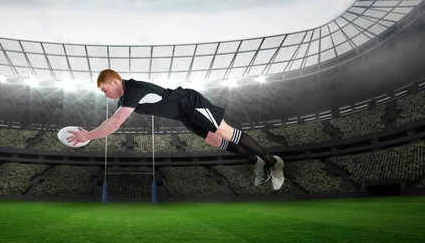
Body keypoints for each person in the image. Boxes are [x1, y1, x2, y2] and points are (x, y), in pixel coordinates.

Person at [66, 69, 285, 190]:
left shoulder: (133, 89)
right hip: (183, 115)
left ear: (115, 81)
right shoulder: (124, 99)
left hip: (191, 102)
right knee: (214, 140)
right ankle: (255, 162)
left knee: (226, 133)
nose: (105, 94)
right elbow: (112, 120)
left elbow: (114, 124)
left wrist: (89, 135)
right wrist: (92, 133)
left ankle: (274, 162)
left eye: (105, 89)